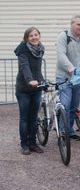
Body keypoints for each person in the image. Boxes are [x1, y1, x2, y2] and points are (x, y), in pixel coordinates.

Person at [14, 27, 45, 155]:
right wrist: (30, 80)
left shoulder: (40, 49)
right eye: (31, 36)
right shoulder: (23, 51)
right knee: (24, 118)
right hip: (24, 89)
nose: (34, 37)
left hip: (36, 88)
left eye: (36, 35)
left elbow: (37, 69)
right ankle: (24, 144)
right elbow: (25, 67)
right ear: (26, 38)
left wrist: (42, 81)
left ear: (39, 36)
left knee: (34, 117)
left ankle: (33, 143)